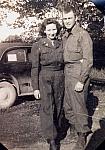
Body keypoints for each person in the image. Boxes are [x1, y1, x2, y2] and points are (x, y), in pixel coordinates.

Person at [62, 5, 93, 150]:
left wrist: (81, 80)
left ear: (76, 18)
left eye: (69, 18)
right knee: (68, 105)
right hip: (66, 73)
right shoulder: (65, 35)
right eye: (65, 18)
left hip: (77, 73)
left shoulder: (83, 34)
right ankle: (75, 130)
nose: (67, 21)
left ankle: (82, 135)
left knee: (79, 105)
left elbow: (88, 60)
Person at [31, 18, 64, 150]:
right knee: (47, 108)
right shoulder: (37, 45)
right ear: (44, 31)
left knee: (59, 107)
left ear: (57, 30)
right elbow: (35, 68)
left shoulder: (62, 44)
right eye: (49, 29)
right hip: (44, 78)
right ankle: (52, 140)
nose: (52, 32)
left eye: (54, 29)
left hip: (60, 77)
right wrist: (35, 88)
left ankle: (57, 132)